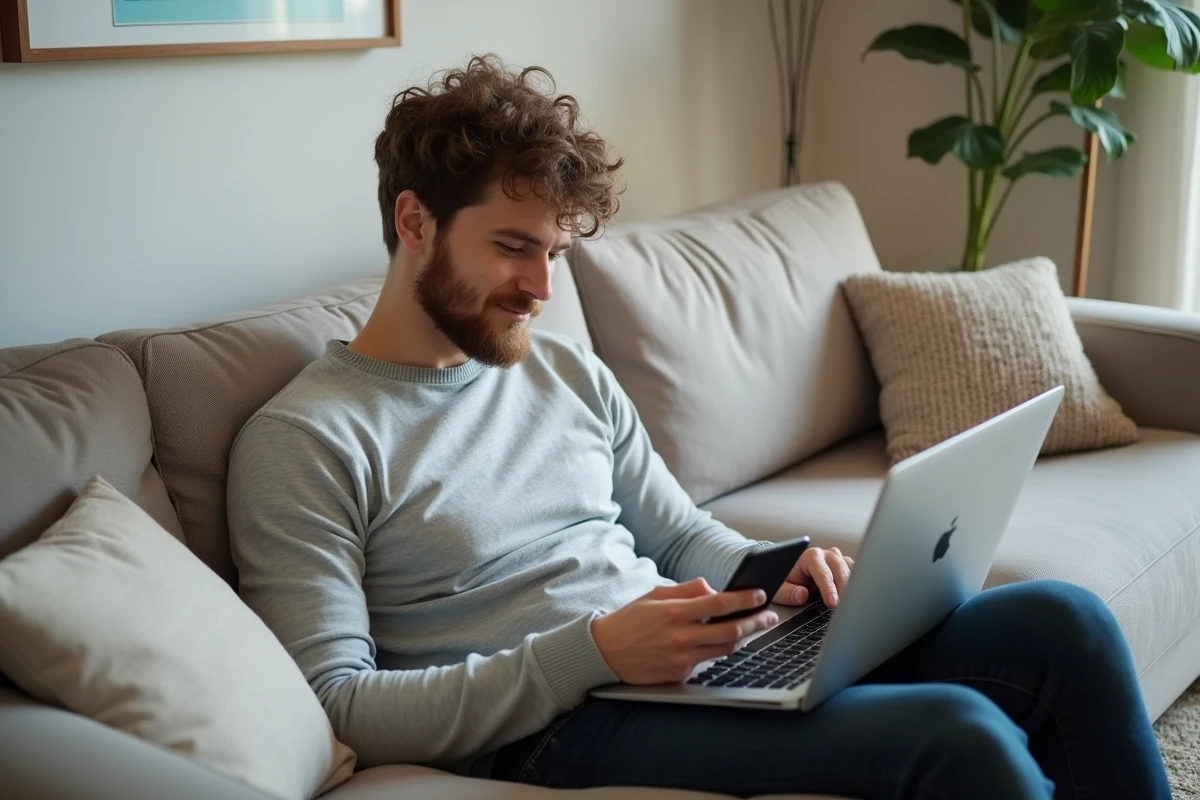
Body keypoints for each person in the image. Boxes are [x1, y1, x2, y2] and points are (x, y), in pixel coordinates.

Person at [225, 54, 1170, 800]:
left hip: (695, 654)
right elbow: (339, 704)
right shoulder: (307, 440)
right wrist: (592, 652)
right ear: (414, 220)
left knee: (1065, 621)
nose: (542, 288)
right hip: (555, 722)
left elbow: (679, 534)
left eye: (553, 251)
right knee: (960, 738)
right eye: (513, 247)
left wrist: (777, 565)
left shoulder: (559, 370)